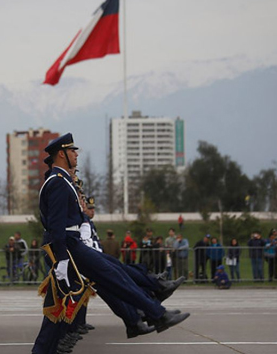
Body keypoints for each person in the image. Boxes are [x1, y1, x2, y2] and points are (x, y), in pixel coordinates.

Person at [32, 133, 189, 354]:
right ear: (61, 154)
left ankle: (153, 309)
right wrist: (63, 261)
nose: (76, 154)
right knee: (113, 277)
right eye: (72, 150)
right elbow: (57, 228)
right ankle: (157, 313)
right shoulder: (57, 183)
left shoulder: (62, 181)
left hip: (70, 245)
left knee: (62, 306)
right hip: (67, 246)